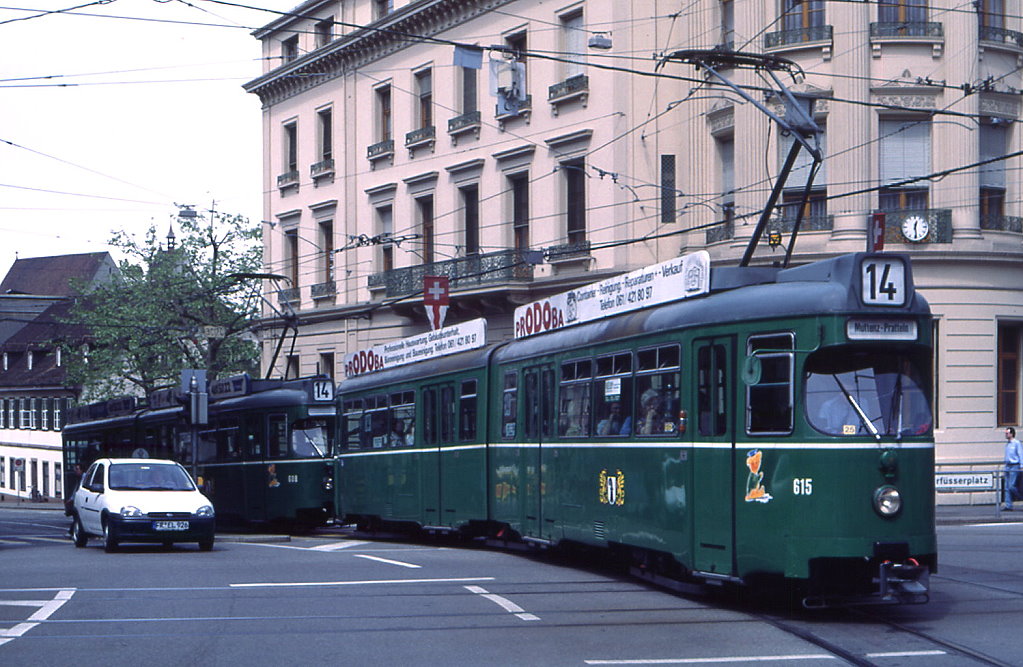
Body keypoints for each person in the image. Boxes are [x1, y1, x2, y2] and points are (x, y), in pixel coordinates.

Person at [1003, 427, 1023, 511]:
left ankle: (1021, 497)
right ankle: (1008, 505)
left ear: (1012, 434)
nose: (1006, 435)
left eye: (1007, 433)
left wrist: (1021, 465)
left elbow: (1020, 454)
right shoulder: (1007, 444)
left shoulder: (1016, 443)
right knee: (1006, 486)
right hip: (1008, 466)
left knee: (1012, 486)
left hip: (1014, 465)